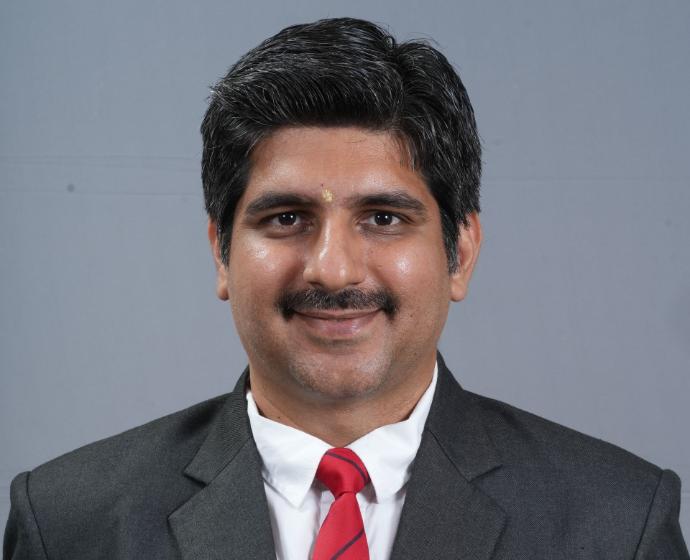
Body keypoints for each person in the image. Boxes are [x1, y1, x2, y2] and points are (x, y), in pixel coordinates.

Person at [4, 17, 688, 560]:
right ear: (221, 252)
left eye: (384, 218)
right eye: (287, 218)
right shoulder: (69, 522)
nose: (332, 270)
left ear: (460, 253)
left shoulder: (616, 521)